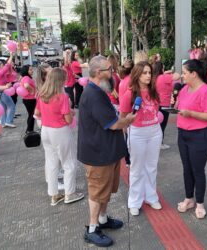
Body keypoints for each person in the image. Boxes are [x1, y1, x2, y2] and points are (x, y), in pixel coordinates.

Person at [78, 56, 136, 247]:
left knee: (106, 190)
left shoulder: (99, 90)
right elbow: (113, 124)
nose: (112, 72)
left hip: (106, 152)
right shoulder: (93, 94)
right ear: (97, 73)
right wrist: (128, 119)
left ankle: (102, 219)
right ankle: (93, 228)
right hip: (98, 155)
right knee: (97, 192)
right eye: (109, 69)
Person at [173, 59, 207, 219]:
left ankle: (199, 203)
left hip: (200, 135)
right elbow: (180, 107)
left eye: (185, 73)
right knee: (187, 168)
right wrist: (175, 104)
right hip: (183, 134)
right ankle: (188, 199)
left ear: (194, 74)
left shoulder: (206, 91)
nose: (182, 76)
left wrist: (191, 113)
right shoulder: (185, 89)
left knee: (197, 170)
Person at [34, 68, 84, 206]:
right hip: (60, 131)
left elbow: (37, 113)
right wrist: (71, 113)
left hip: (46, 130)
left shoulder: (42, 94)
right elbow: (68, 120)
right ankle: (69, 193)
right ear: (60, 80)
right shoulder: (62, 97)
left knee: (51, 162)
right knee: (69, 163)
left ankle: (54, 195)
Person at [120, 61, 163, 216]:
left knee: (151, 167)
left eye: (149, 73)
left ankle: (151, 197)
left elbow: (156, 110)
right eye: (144, 73)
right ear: (137, 75)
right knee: (137, 169)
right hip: (137, 132)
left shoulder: (153, 91)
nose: (148, 76)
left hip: (154, 132)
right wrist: (126, 135)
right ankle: (134, 201)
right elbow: (123, 117)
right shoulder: (129, 94)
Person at [153, 61, 180, 149]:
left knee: (157, 124)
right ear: (161, 68)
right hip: (165, 104)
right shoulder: (164, 77)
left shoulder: (155, 78)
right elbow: (177, 76)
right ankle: (160, 143)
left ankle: (157, 142)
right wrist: (169, 73)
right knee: (162, 125)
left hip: (157, 103)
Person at [0, 54, 16, 128]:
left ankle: (3, 123)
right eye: (2, 65)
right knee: (11, 106)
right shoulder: (0, 72)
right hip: (3, 91)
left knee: (4, 108)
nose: (4, 66)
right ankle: (8, 121)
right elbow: (8, 64)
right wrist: (11, 55)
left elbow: (9, 70)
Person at [20, 65, 37, 133]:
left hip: (28, 99)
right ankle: (29, 130)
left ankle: (29, 129)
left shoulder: (25, 77)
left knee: (31, 115)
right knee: (32, 115)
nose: (32, 71)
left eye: (32, 69)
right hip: (30, 99)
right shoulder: (26, 77)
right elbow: (26, 85)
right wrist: (32, 90)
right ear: (26, 71)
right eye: (30, 69)